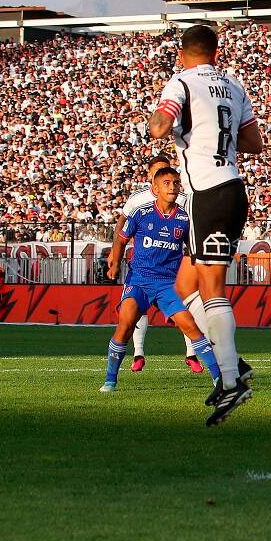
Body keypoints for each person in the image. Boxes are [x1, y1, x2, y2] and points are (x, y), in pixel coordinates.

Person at [149, 25, 265, 427]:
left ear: (182, 54)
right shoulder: (234, 85)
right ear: (216, 52)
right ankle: (234, 361)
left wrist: (167, 127)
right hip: (232, 187)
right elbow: (255, 143)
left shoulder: (180, 82)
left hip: (208, 194)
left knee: (212, 287)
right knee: (182, 289)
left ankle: (232, 380)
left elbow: (160, 127)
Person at [99, 166, 222, 395]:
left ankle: (218, 378)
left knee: (190, 326)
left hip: (169, 284)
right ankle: (110, 380)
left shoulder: (185, 219)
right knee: (124, 326)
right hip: (140, 280)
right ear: (155, 189)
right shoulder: (141, 213)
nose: (173, 187)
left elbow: (194, 249)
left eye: (176, 183)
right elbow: (121, 239)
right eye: (167, 183)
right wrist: (115, 261)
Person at [106, 154, 202, 374]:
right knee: (133, 313)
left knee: (186, 315)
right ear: (152, 177)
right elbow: (123, 222)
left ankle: (191, 354)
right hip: (143, 270)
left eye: (168, 172)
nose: (167, 180)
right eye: (160, 172)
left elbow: (192, 234)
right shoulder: (137, 199)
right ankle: (138, 352)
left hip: (171, 272)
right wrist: (115, 253)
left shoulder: (183, 199)